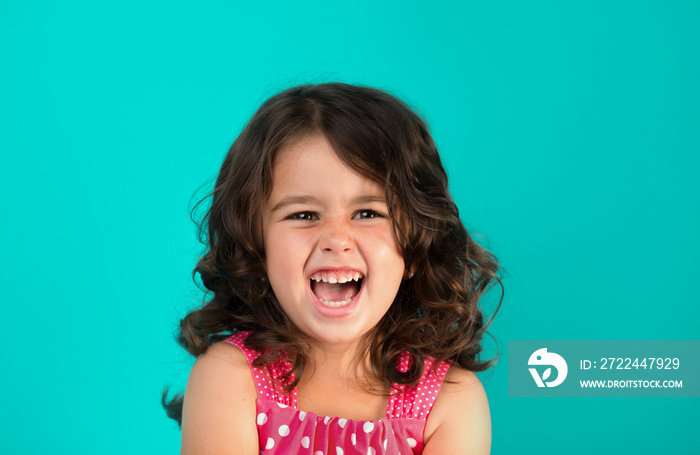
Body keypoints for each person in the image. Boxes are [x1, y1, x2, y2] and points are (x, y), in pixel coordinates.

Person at [163, 82, 503, 454]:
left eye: (367, 213)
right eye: (304, 214)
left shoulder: (451, 402)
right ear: (256, 248)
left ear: (416, 247)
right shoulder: (229, 378)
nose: (336, 239)